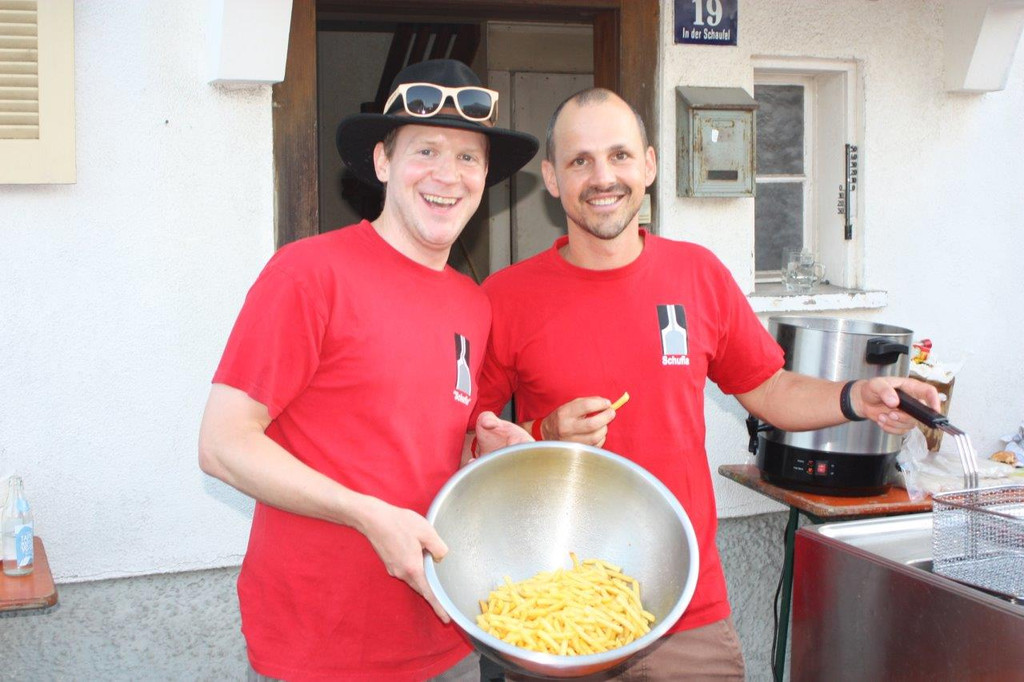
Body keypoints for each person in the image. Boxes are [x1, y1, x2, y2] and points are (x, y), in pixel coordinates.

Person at [472, 88, 941, 680]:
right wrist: (544, 434)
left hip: (689, 606)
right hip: (558, 607)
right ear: (551, 178)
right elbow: (471, 441)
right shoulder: (506, 297)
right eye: (580, 160)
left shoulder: (697, 274)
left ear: (649, 164)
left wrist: (855, 397)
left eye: (619, 155)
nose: (603, 177)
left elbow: (769, 389)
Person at [198, 59, 538, 682]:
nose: (447, 174)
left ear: (485, 176)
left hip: (445, 633)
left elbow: (418, 442)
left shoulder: (472, 303)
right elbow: (223, 445)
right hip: (319, 646)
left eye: (468, 157)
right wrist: (367, 513)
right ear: (382, 162)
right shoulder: (308, 273)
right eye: (426, 150)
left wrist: (481, 450)